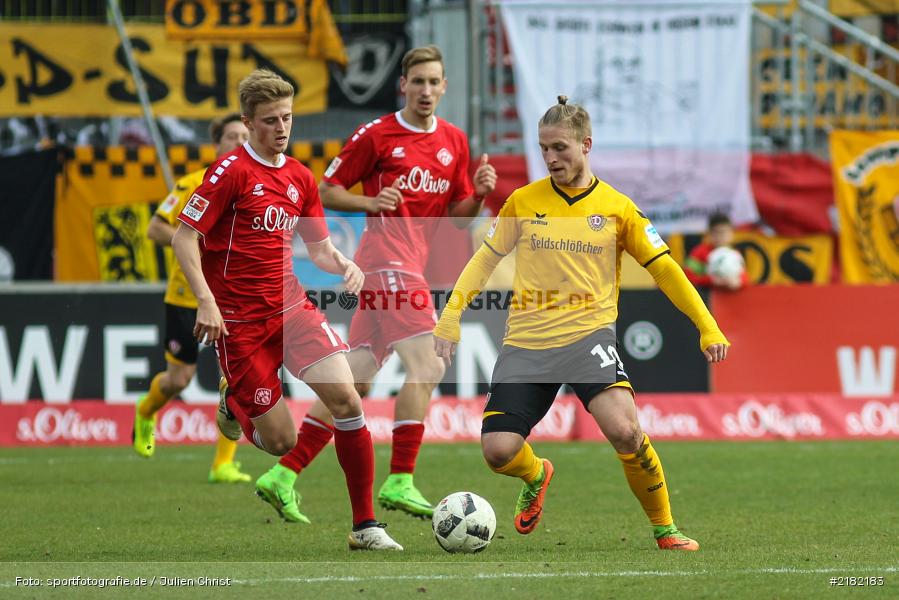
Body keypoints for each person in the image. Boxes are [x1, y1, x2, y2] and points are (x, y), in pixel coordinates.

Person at [433, 97, 730, 551]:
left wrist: (706, 325)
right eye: (544, 149)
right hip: (527, 343)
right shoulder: (523, 201)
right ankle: (536, 473)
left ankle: (665, 528)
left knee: (626, 431)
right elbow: (483, 262)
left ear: (586, 145)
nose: (551, 158)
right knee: (498, 452)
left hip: (589, 338)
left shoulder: (617, 208)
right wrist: (451, 315)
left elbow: (666, 270)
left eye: (560, 148)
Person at [250, 45, 497, 523]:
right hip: (386, 261)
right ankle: (400, 478)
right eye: (417, 81)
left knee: (357, 379)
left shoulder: (454, 142)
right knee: (429, 361)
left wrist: (481, 195)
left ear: (444, 87)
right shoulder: (378, 135)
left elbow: (458, 221)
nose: (426, 90)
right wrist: (370, 203)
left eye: (434, 82)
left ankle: (283, 474)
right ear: (402, 85)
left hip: (408, 266)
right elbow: (326, 189)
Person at [171, 69, 403, 551]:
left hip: (293, 310)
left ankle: (365, 527)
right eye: (271, 120)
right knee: (281, 442)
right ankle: (233, 402)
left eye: (288, 118)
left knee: (348, 400)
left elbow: (317, 249)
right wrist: (206, 301)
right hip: (239, 323)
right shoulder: (230, 172)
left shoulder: (299, 176)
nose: (282, 128)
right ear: (248, 122)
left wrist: (344, 264)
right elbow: (184, 236)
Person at [132, 113, 252, 485]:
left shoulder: (253, 183)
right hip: (186, 297)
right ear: (216, 143)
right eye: (232, 136)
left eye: (244, 136)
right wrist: (192, 240)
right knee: (178, 380)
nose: (238, 141)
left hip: (231, 298)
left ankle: (223, 464)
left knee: (233, 380)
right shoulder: (192, 183)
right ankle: (146, 411)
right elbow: (155, 228)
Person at [683, 213, 748, 290]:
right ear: (709, 233)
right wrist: (711, 280)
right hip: (705, 297)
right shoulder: (699, 252)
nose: (720, 236)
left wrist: (738, 282)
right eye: (716, 232)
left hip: (728, 299)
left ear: (731, 233)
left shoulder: (735, 254)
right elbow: (686, 276)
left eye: (723, 232)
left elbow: (745, 277)